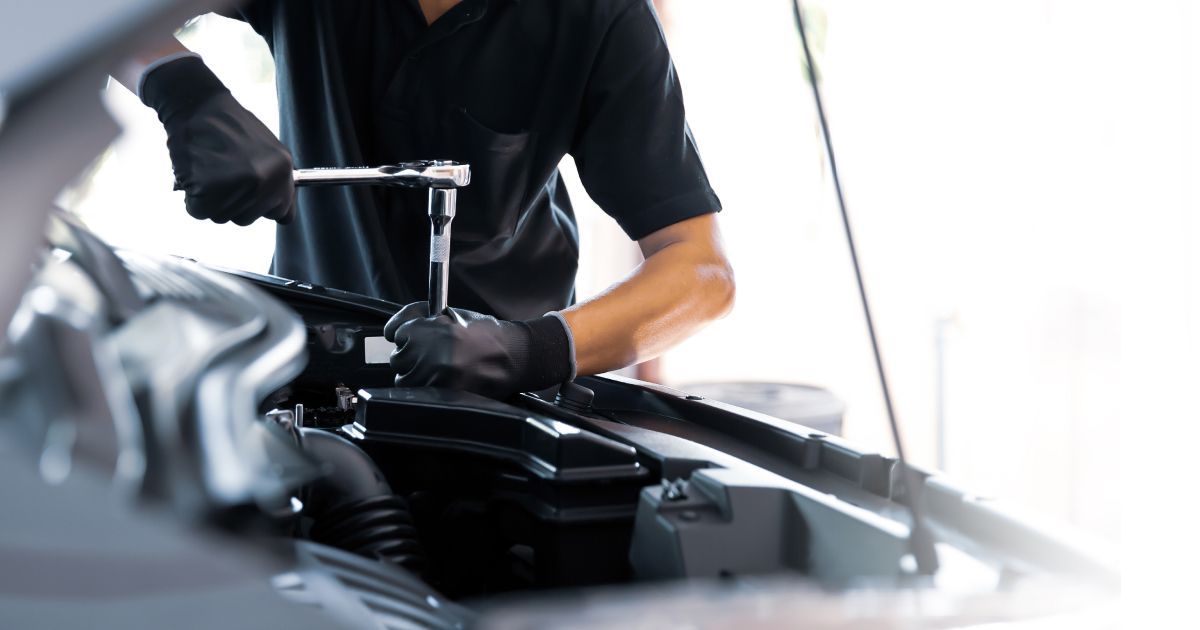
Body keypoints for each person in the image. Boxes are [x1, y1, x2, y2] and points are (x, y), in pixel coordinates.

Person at [118, 0, 734, 399]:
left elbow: (701, 271)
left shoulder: (600, 17)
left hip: (506, 406)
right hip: (307, 385)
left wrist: (530, 350)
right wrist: (181, 91)